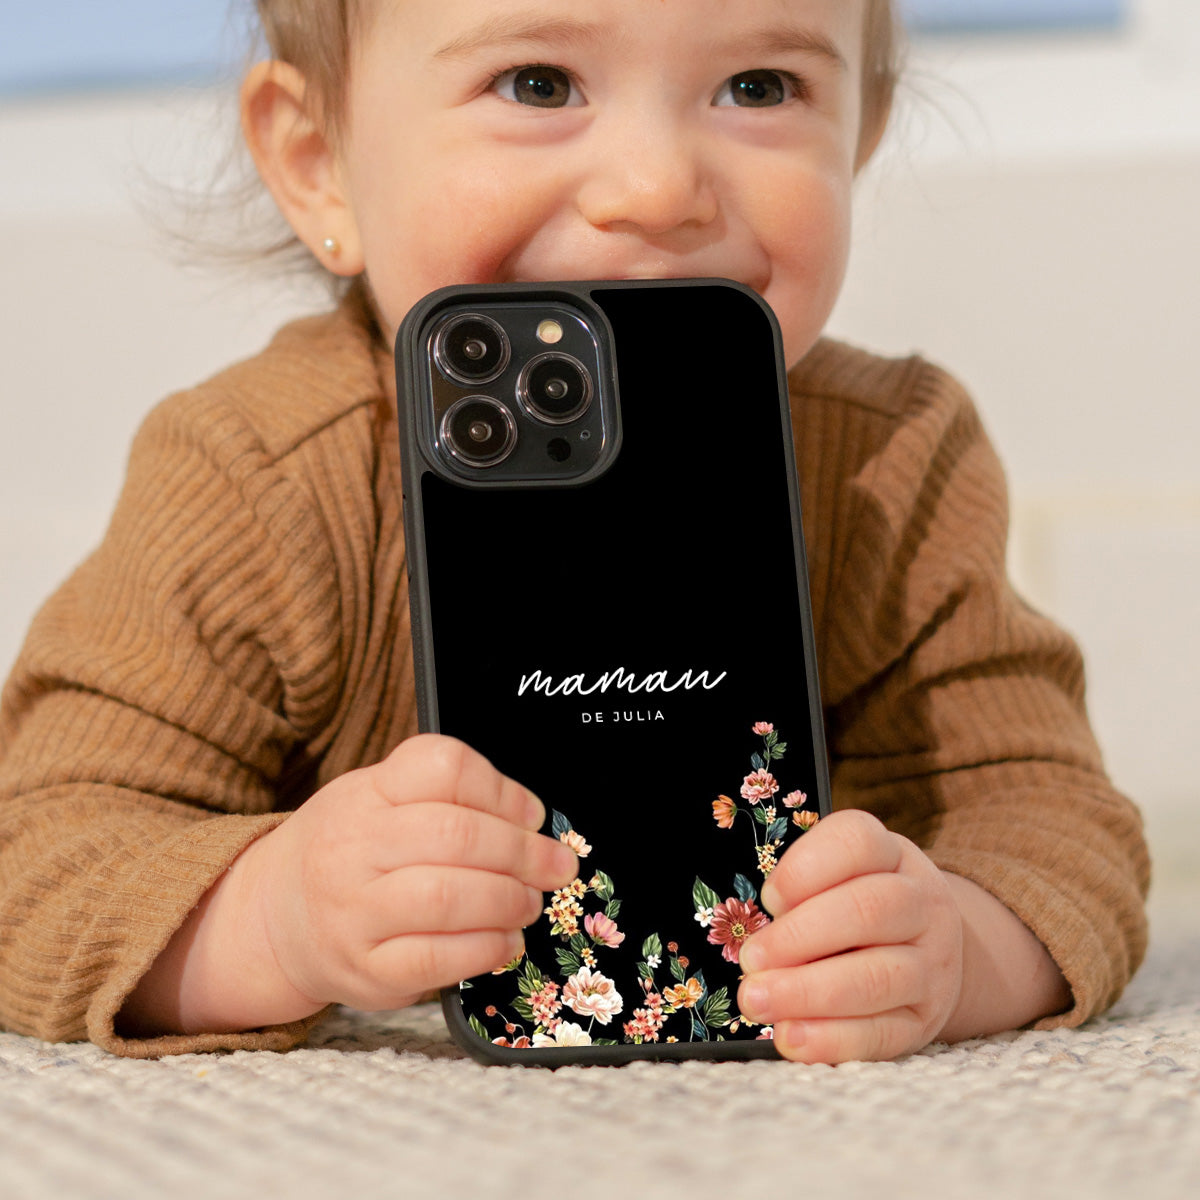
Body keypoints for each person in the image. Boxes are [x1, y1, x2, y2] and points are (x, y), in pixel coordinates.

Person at [0, 0, 1149, 1064]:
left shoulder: (893, 460)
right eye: (539, 83)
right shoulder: (255, 478)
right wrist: (273, 917)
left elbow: (1045, 817)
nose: (657, 188)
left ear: (861, 138)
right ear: (319, 163)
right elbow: (39, 854)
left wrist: (957, 949)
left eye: (759, 87)